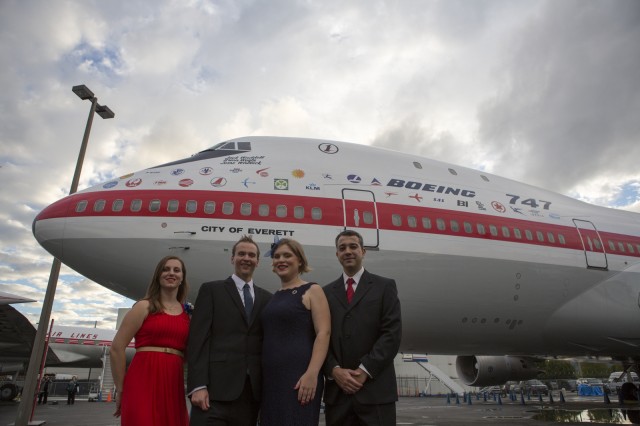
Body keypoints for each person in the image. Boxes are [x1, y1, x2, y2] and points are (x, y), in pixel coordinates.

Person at [187, 235, 273, 426]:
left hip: (250, 395)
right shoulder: (212, 291)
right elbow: (197, 340)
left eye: (251, 255)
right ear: (232, 258)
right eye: (241, 253)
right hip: (213, 393)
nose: (246, 258)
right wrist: (198, 385)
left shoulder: (267, 298)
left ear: (258, 262)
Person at [323, 230, 402, 425]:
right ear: (337, 254)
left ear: (363, 251)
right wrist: (334, 370)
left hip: (376, 393)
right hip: (338, 395)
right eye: (342, 248)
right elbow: (320, 337)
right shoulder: (325, 293)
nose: (348, 251)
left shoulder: (385, 287)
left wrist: (364, 371)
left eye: (353, 246)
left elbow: (391, 334)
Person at [110, 255, 190, 425]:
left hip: (173, 383)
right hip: (142, 380)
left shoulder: (186, 316)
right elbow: (117, 348)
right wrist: (121, 389)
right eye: (166, 269)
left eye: (177, 270)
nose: (171, 273)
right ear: (158, 275)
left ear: (182, 278)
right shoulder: (143, 306)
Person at [260, 238, 331, 426]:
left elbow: (324, 333)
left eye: (287, 255)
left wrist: (312, 373)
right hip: (271, 380)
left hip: (299, 378)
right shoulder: (274, 296)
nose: (280, 260)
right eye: (276, 257)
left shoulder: (312, 290)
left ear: (300, 260)